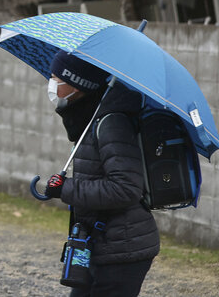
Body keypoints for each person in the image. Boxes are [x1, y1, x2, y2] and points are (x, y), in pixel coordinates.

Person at [42, 51, 159, 296]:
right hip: (99, 243)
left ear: (77, 84)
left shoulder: (110, 123)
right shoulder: (88, 120)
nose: (51, 85)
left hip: (123, 250)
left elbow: (125, 188)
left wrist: (66, 189)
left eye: (56, 78)